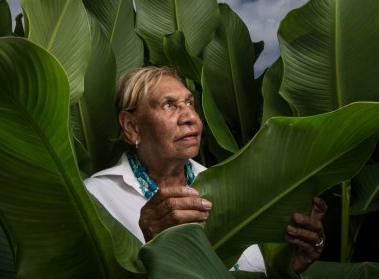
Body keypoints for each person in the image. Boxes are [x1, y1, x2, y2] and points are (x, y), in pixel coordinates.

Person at [84, 66, 326, 275]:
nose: (190, 116)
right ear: (132, 126)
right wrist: (153, 250)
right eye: (169, 105)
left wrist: (285, 267)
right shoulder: (95, 197)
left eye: (189, 103)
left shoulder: (231, 186)